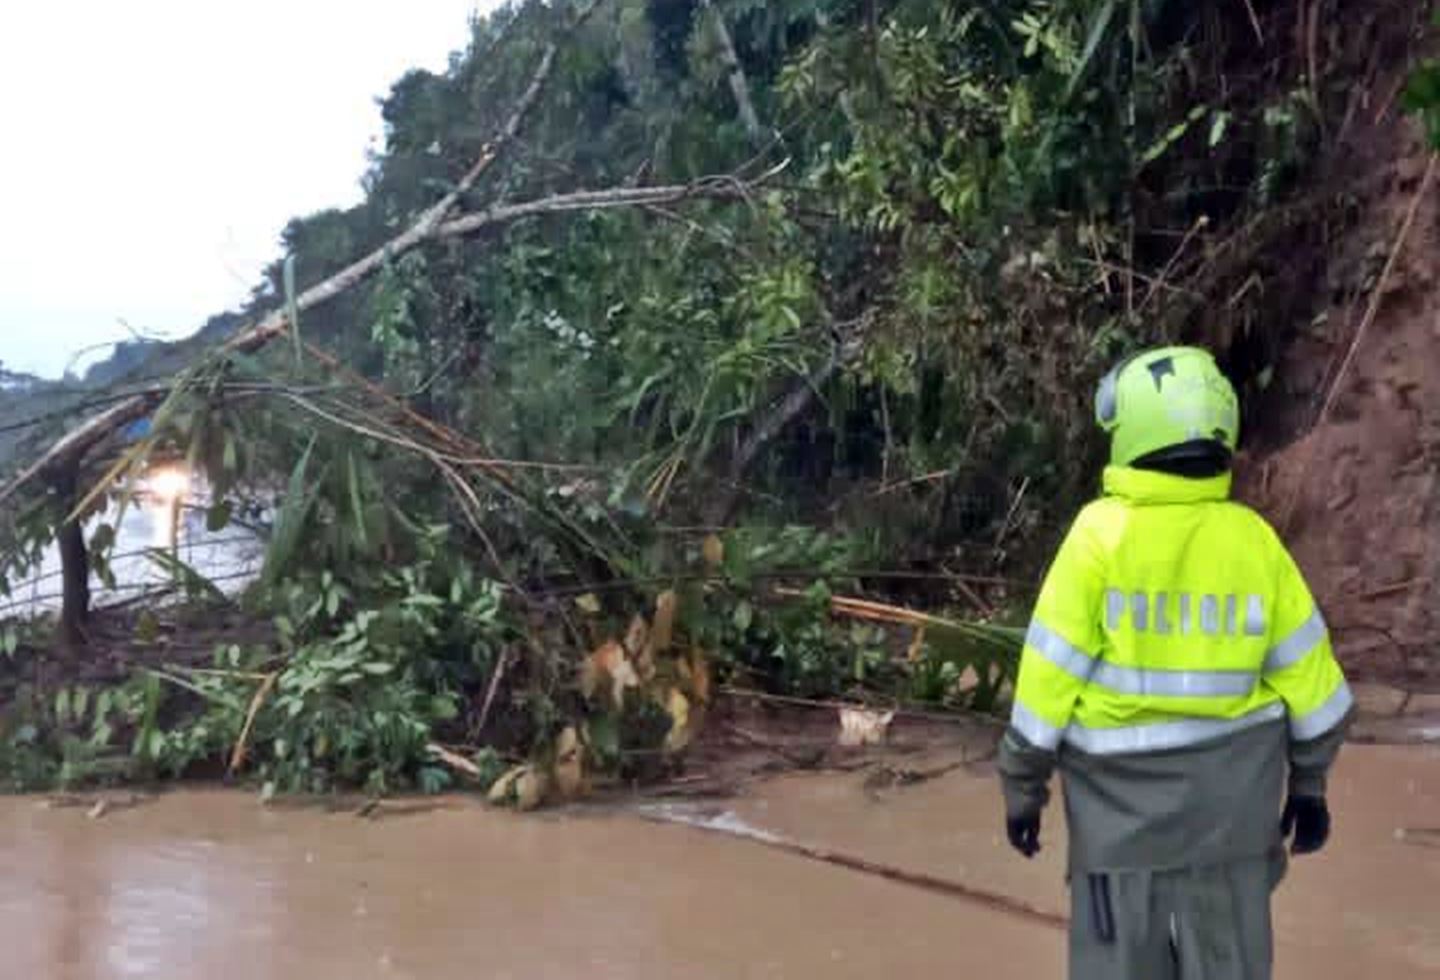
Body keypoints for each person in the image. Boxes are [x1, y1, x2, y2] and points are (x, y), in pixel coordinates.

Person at [996, 345, 1353, 980]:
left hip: (1117, 841)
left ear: (1131, 431)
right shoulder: (1254, 543)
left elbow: (1043, 690)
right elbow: (1318, 694)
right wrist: (1310, 787)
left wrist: (1023, 791)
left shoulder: (1095, 540)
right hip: (1234, 836)